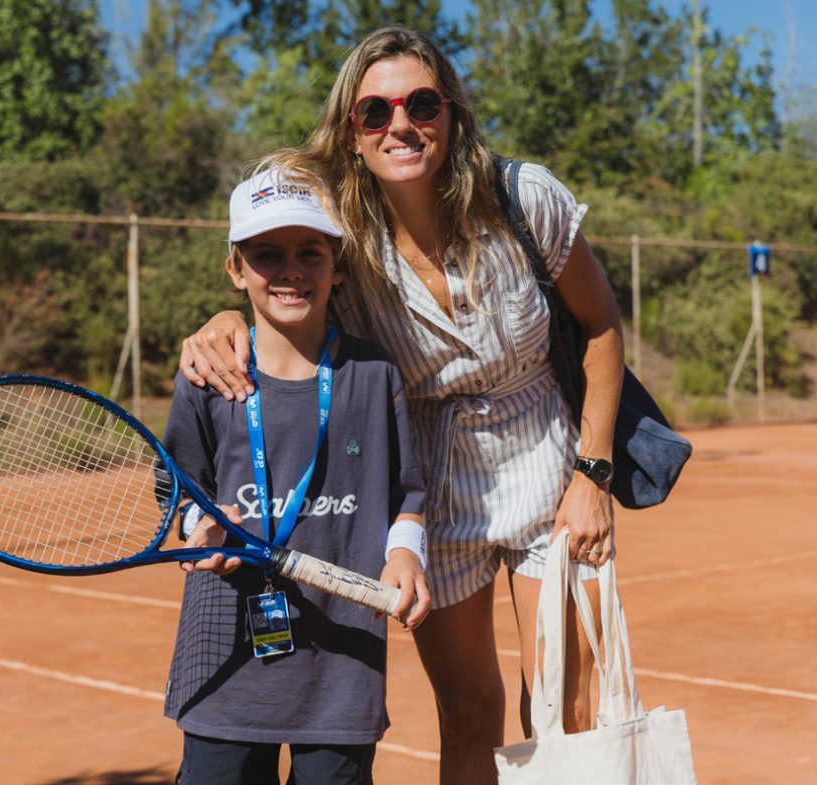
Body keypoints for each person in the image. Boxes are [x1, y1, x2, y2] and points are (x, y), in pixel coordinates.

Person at [179, 26, 624, 785]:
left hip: (550, 464)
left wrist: (593, 473)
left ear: (451, 113)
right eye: (374, 111)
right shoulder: (343, 233)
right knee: (469, 714)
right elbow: (276, 268)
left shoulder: (524, 198)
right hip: (433, 480)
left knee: (567, 710)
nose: (400, 125)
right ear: (351, 131)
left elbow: (602, 325)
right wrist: (222, 320)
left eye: (421, 104)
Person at [163, 166, 432, 785]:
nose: (290, 270)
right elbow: (178, 486)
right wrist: (204, 524)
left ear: (338, 266)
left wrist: (405, 553)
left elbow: (408, 493)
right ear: (236, 269)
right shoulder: (206, 376)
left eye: (310, 252)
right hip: (224, 669)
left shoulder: (374, 374)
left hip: (341, 671)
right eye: (267, 254)